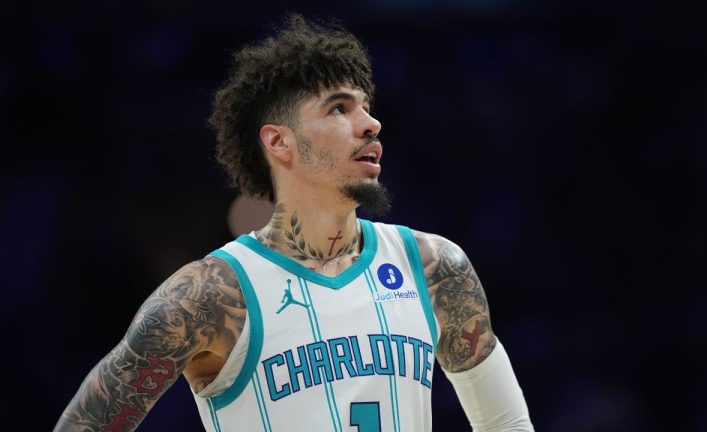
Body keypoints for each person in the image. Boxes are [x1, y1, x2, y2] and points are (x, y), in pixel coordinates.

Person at [54, 14, 533, 432]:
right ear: (279, 142)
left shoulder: (435, 268)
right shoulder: (209, 297)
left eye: (366, 107)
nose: (371, 124)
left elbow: (507, 424)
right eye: (339, 109)